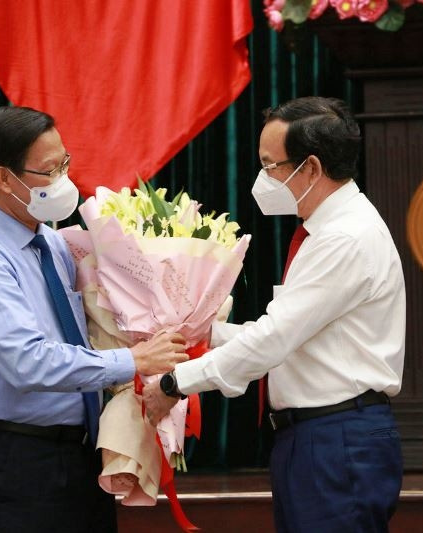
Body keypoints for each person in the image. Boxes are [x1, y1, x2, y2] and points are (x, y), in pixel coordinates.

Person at [144, 96, 406, 533]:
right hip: (317, 436)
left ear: (311, 169)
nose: (263, 179)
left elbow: (274, 338)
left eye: (271, 166)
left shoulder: (344, 238)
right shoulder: (330, 230)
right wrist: (201, 332)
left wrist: (175, 382)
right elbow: (294, 333)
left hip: (335, 438)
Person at [0, 106, 188, 533]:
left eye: (65, 164)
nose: (63, 181)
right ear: (4, 178)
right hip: (22, 456)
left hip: (80, 451)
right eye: (49, 171)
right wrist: (133, 360)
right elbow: (28, 362)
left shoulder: (53, 244)